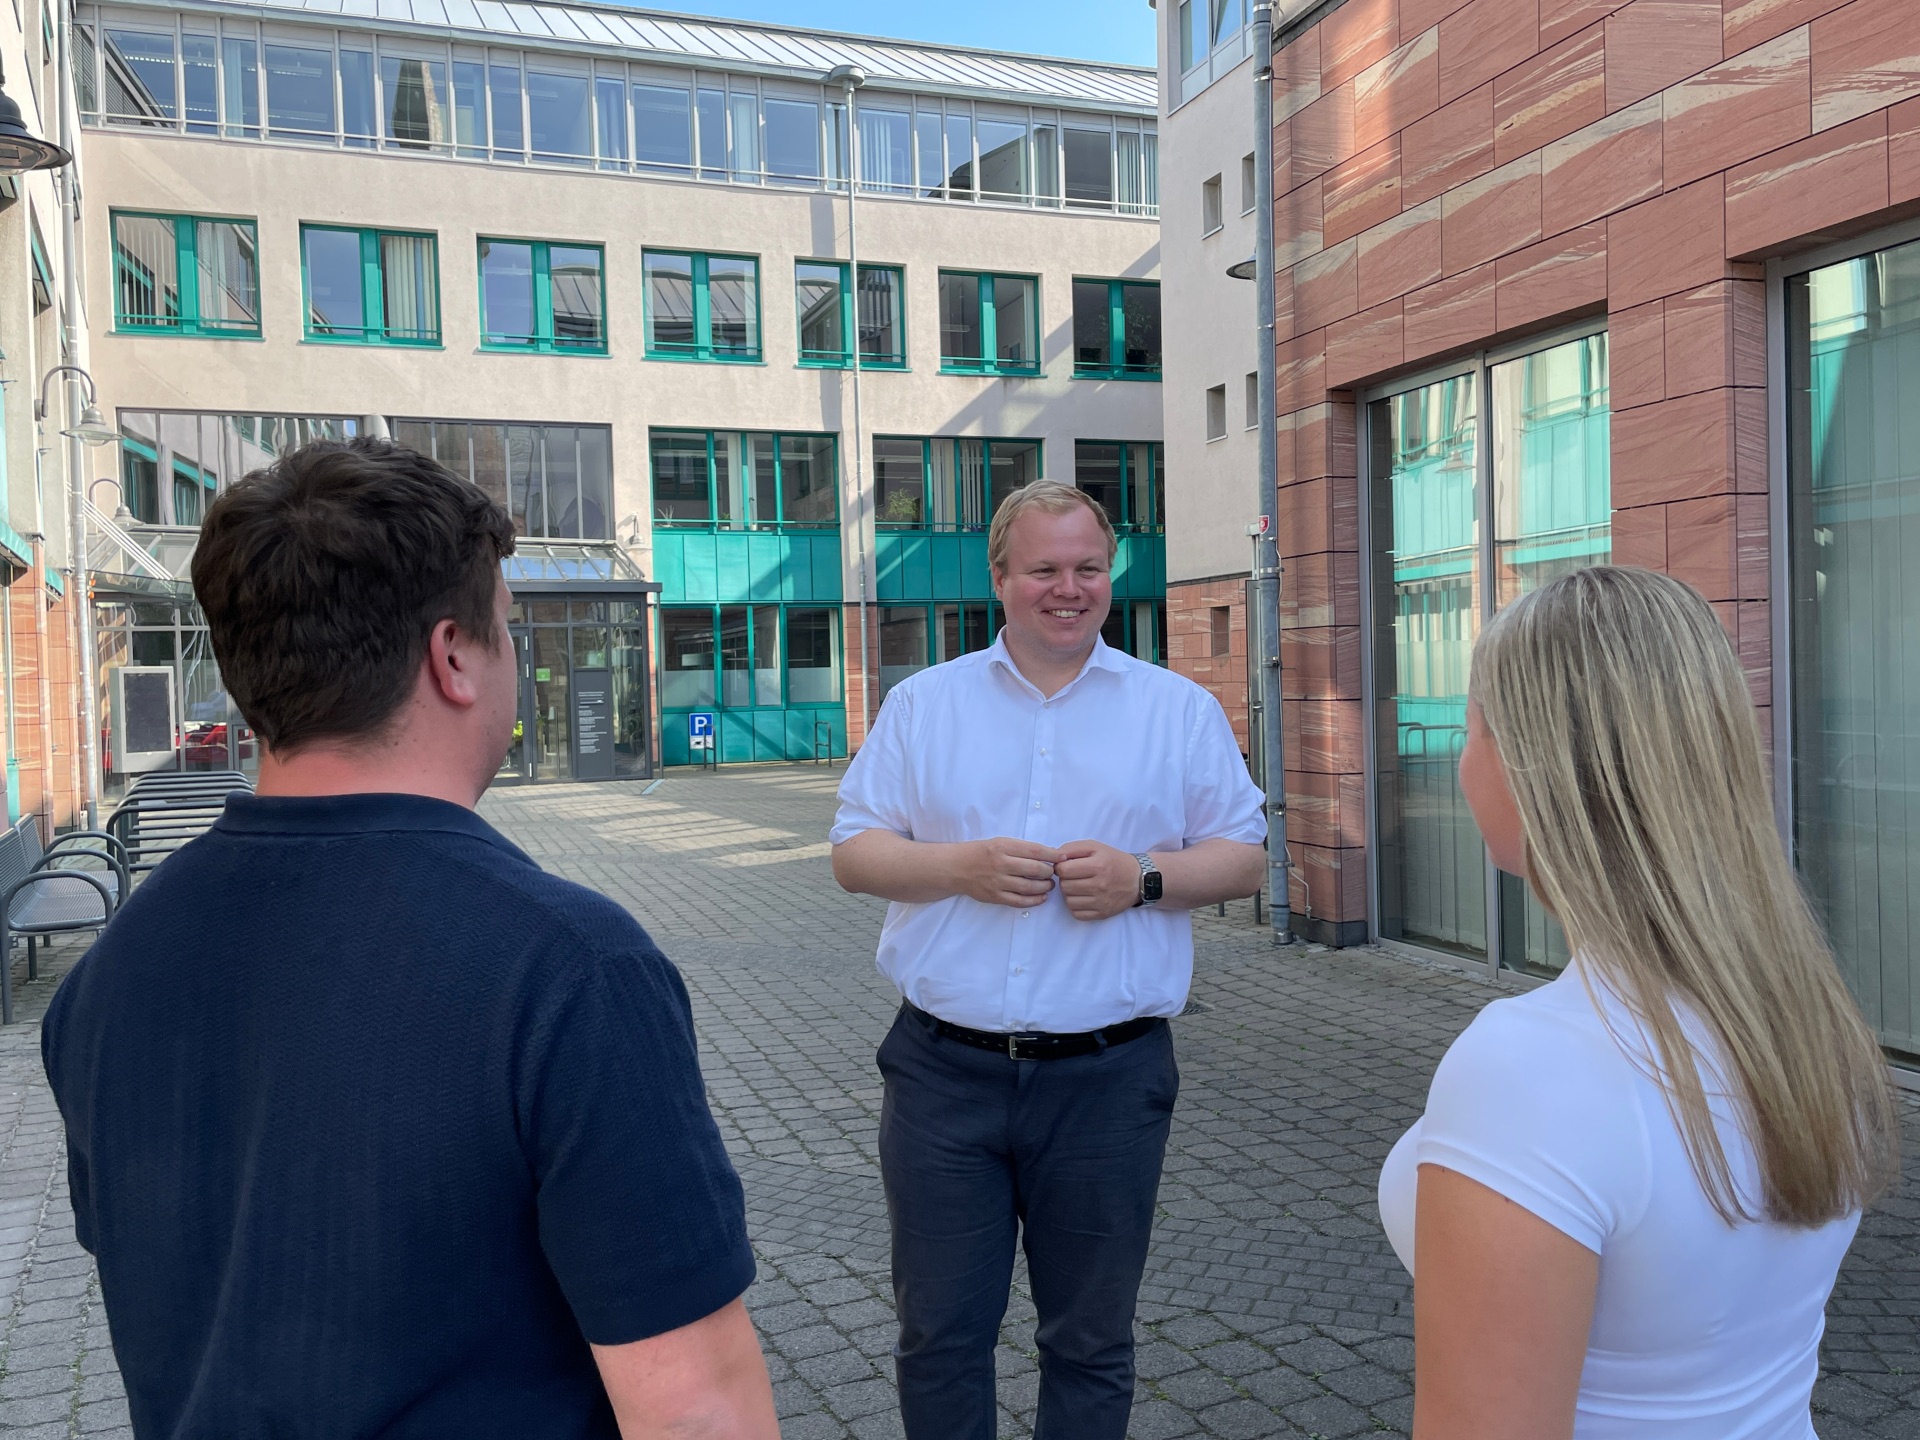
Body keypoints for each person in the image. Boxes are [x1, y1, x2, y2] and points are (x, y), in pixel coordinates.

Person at [41, 439, 779, 1440]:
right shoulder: (569, 969)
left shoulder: (110, 968)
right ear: (453, 658)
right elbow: (698, 1410)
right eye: (508, 631)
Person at [1377, 566, 1899, 1440]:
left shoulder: (1531, 1066)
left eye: (1473, 729)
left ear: (1531, 769)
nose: (1463, 762)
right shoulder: (1801, 1017)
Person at [830, 480, 1267, 1440]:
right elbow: (854, 853)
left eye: (1087, 568)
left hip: (1109, 1080)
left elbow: (1244, 854)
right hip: (944, 1074)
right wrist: (960, 868)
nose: (1068, 589)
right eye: (1044, 570)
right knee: (939, 1337)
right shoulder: (924, 704)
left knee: (1092, 1343)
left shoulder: (1176, 710)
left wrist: (1144, 878)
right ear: (1000, 578)